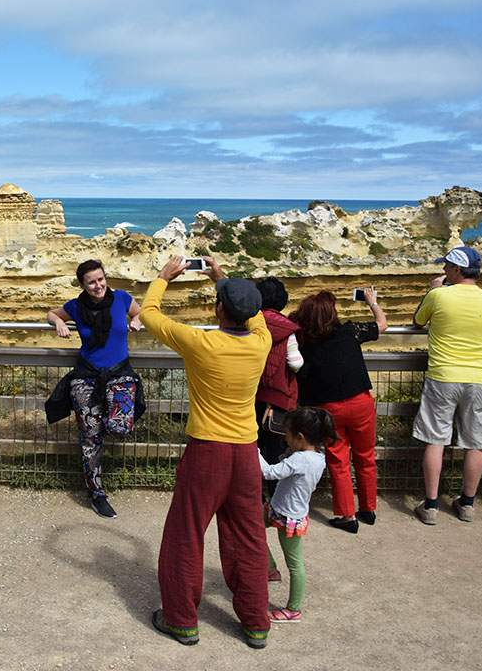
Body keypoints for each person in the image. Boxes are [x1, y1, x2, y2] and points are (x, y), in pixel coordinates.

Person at [140, 255, 272, 650]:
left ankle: (181, 621)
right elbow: (256, 316)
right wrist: (223, 278)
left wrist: (164, 277)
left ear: (218, 309)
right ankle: (255, 624)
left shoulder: (201, 342)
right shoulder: (261, 342)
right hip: (247, 453)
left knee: (186, 534)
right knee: (248, 538)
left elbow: (149, 314)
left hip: (207, 453)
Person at [45, 259, 144, 519]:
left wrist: (136, 319)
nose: (98, 285)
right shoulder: (76, 306)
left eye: (101, 279)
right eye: (92, 281)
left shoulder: (121, 298)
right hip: (86, 377)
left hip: (119, 374)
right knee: (90, 439)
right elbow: (51, 313)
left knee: (119, 426)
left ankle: (102, 430)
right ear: (83, 284)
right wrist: (59, 323)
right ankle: (96, 494)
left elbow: (140, 311)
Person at [411, 246, 482, 525]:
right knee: (475, 443)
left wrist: (432, 290)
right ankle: (467, 504)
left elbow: (417, 321)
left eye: (447, 266)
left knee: (436, 440)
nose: (443, 270)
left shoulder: (439, 295)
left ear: (457, 271)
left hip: (442, 377)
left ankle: (431, 506)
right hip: (478, 379)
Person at [290, 288, 387, 534]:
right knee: (366, 455)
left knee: (338, 460)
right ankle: (368, 508)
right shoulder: (349, 332)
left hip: (328, 408)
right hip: (360, 402)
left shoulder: (304, 343)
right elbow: (382, 324)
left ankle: (347, 515)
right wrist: (372, 302)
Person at [259, 406, 337, 623]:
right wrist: (287, 454)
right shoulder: (317, 457)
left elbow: (270, 472)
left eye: (288, 436)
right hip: (280, 509)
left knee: (295, 564)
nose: (286, 439)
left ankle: (294, 609)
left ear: (300, 438)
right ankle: (270, 569)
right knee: (252, 526)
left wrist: (253, 450)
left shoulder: (300, 460)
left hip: (287, 517)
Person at [254, 277, 303, 498]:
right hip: (277, 399)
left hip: (252, 394)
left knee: (251, 446)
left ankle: (252, 495)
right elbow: (295, 363)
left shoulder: (251, 322)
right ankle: (274, 499)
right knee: (275, 449)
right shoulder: (287, 329)